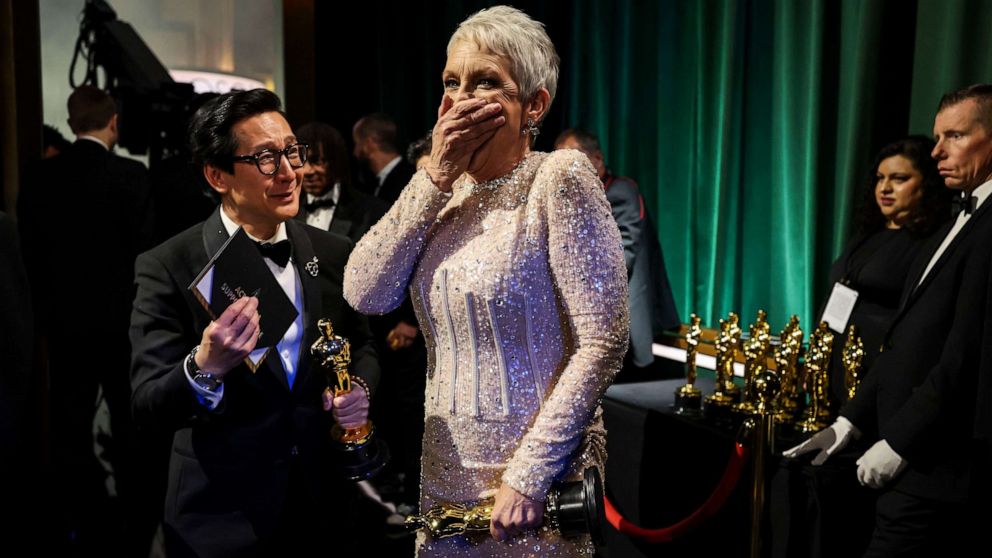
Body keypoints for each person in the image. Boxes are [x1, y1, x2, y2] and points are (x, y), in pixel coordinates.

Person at [344, 6, 629, 556]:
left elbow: (604, 340)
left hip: (530, 487)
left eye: (487, 82)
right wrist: (434, 175)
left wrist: (530, 473)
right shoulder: (440, 193)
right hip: (443, 476)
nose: (462, 98)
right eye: (453, 81)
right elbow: (365, 291)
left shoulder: (558, 178)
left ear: (534, 104)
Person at [129, 88, 379, 557]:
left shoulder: (333, 253)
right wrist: (206, 365)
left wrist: (359, 391)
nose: (289, 172)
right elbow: (147, 405)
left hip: (322, 510)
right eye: (266, 158)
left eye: (291, 151)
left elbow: (362, 345)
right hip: (220, 519)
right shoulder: (169, 266)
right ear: (217, 174)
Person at [785, 84, 992, 556]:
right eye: (937, 137)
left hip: (935, 466)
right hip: (898, 449)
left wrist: (900, 443)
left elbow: (965, 355)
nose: (937, 149)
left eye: (955, 136)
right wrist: (848, 423)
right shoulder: (958, 218)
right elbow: (906, 340)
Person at [19, 85, 155, 555]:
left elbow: (30, 255)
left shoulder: (38, 177)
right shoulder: (132, 176)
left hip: (64, 324)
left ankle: (76, 518)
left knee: (70, 423)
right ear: (114, 121)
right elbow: (143, 253)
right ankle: (136, 519)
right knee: (128, 421)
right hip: (121, 323)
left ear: (71, 121)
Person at [821, 136, 951, 408]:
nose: (885, 188)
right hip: (836, 364)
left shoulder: (932, 241)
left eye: (899, 178)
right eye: (880, 178)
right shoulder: (870, 232)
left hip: (881, 374)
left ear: (926, 184)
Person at [554, 128, 680, 373]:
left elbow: (621, 258)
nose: (564, 168)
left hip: (621, 324)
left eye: (571, 158)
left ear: (597, 159)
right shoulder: (568, 197)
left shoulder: (620, 192)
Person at [296, 121, 388, 244]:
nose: (307, 171)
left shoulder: (372, 212)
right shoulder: (285, 213)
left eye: (316, 161)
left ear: (335, 161)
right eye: (300, 161)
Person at [353, 113, 416, 204]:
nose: (354, 152)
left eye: (357, 143)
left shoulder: (408, 180)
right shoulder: (375, 183)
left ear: (368, 144)